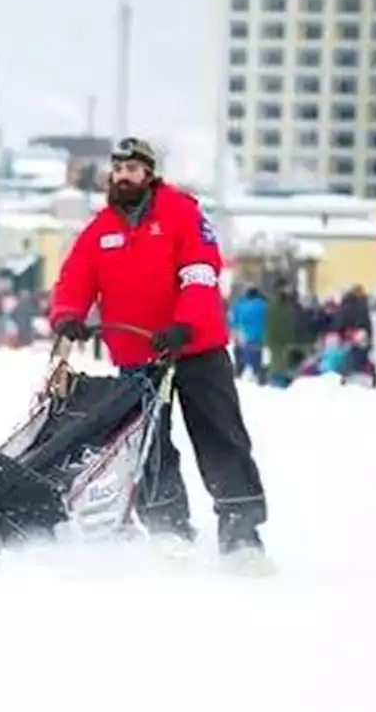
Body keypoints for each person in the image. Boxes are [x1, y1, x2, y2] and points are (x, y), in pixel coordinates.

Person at [47, 137, 269, 566]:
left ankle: (242, 531)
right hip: (136, 357)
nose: (123, 176)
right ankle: (169, 527)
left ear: (150, 174)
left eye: (132, 168)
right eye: (118, 169)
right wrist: (68, 315)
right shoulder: (100, 229)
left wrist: (185, 323)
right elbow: (73, 278)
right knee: (148, 447)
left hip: (194, 347)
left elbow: (202, 272)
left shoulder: (182, 214)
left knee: (220, 437)